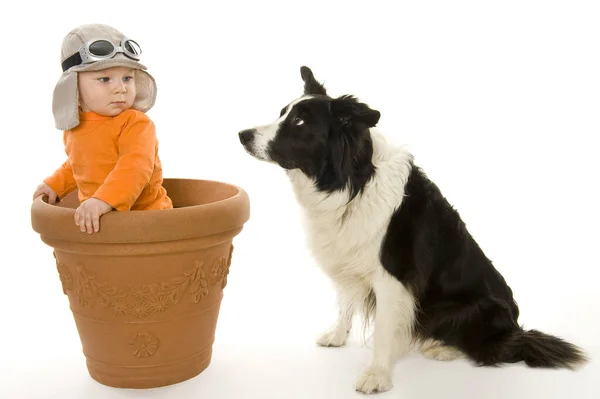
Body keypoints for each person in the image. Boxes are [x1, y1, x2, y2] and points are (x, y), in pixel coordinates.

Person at [32, 24, 173, 234]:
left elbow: (135, 166)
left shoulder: (135, 123)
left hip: (147, 221)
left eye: (127, 78)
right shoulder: (76, 127)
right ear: (74, 86)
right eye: (105, 79)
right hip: (100, 222)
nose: (121, 88)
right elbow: (79, 165)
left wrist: (103, 200)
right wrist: (55, 184)